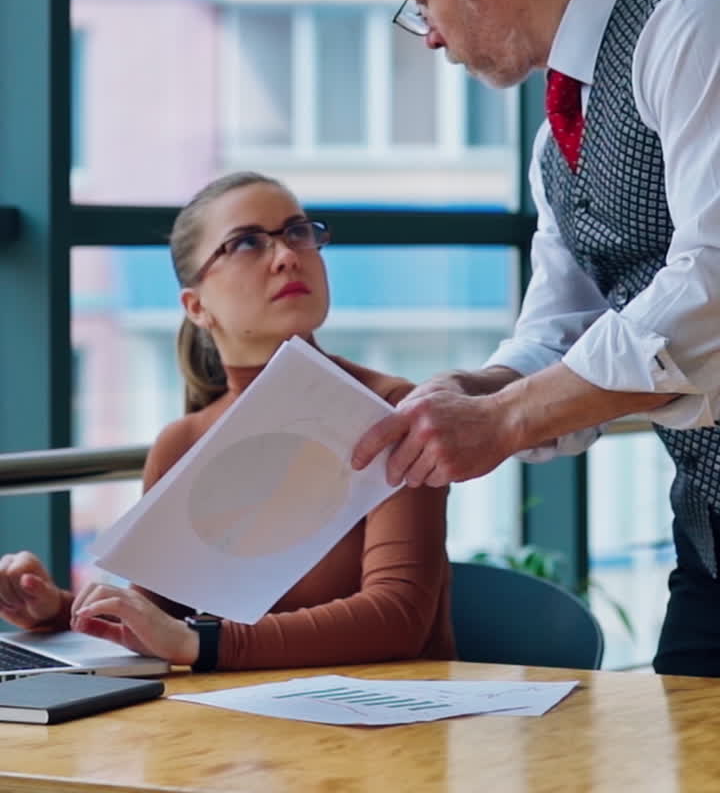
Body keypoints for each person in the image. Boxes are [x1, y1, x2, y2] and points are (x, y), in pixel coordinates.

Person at [351, 0, 720, 677]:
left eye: (420, 4)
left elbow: (710, 282)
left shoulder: (693, 27)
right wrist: (475, 388)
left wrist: (504, 419)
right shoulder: (555, 143)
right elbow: (558, 328)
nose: (431, 36)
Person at [0, 172, 454, 670]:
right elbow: (155, 622)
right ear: (196, 307)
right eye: (246, 243)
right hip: (237, 729)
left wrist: (204, 644)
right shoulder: (181, 444)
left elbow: (398, 619)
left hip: (394, 729)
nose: (286, 256)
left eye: (298, 232)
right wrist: (52, 609)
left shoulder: (391, 411)